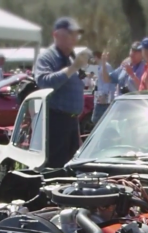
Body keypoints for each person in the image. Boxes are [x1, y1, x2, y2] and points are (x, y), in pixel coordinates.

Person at [33, 17, 89, 168]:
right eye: (70, 34)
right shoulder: (47, 57)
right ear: (56, 35)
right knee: (55, 167)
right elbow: (44, 82)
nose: (74, 39)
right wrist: (73, 68)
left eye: (76, 35)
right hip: (55, 122)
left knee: (72, 168)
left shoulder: (70, 58)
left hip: (70, 122)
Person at [93, 51, 116, 124]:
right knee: (96, 119)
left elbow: (107, 82)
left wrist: (104, 94)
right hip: (100, 95)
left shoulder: (106, 66)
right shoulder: (100, 66)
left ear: (96, 57)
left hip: (104, 96)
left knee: (98, 120)